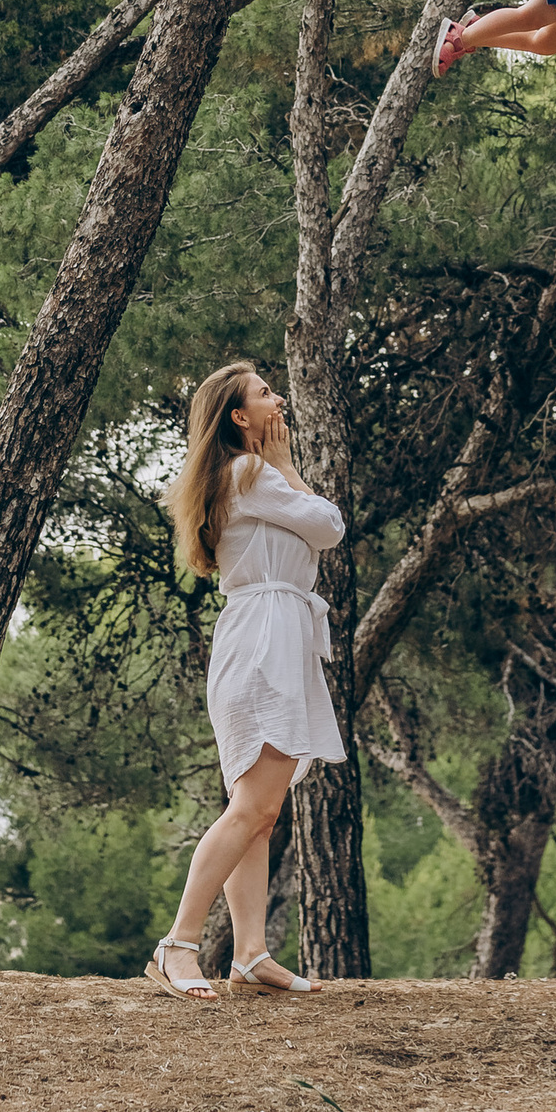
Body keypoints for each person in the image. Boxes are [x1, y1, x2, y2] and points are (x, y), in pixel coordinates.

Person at [147, 359, 346, 1002]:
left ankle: (251, 952)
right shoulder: (250, 470)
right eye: (265, 393)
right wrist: (289, 468)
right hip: (264, 642)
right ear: (239, 417)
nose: (278, 397)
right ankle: (178, 944)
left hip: (264, 637)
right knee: (252, 808)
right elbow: (329, 527)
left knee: (260, 813)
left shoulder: (237, 475)